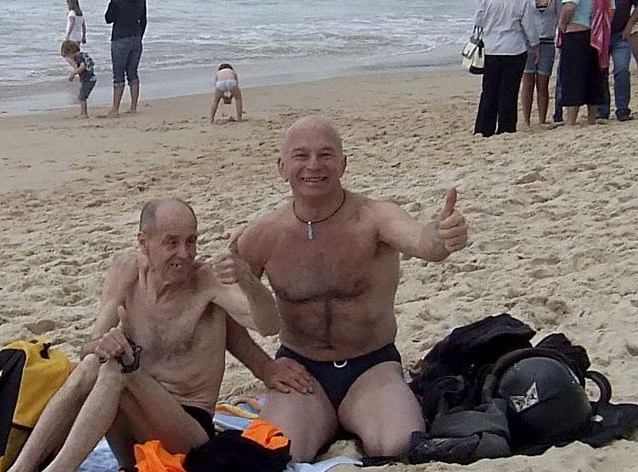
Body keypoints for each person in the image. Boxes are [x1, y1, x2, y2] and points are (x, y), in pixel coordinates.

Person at [8, 198, 304, 472]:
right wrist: (104, 343)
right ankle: (19, 469)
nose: (184, 254)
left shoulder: (206, 283)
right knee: (92, 366)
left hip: (188, 433)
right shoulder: (126, 275)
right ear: (143, 243)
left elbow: (269, 325)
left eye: (191, 241)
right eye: (171, 243)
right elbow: (89, 350)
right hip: (132, 436)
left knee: (119, 371)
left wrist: (246, 279)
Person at [234, 116, 469, 461]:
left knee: (398, 445)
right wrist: (263, 367)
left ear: (343, 163)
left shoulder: (374, 218)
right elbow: (219, 308)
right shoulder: (262, 235)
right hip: (301, 372)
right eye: (301, 156)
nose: (313, 165)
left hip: (371, 367)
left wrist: (443, 237)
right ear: (282, 167)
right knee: (277, 454)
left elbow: (424, 242)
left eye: (326, 154)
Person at [473, 0, 540, 137]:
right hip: (514, 47)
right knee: (509, 91)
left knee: (489, 90)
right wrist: (535, 45)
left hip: (491, 48)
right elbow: (529, 26)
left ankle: (484, 127)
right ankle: (506, 126)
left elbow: (478, 21)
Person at [559, 0, 607, 125]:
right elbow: (610, 9)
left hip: (576, 32)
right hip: (595, 33)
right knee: (593, 77)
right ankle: (591, 119)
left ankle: (571, 120)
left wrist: (562, 23)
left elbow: (570, 6)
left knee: (573, 77)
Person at [599, 0, 638, 121]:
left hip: (620, 34)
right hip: (599, 35)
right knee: (600, 73)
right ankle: (601, 110)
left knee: (622, 70)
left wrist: (629, 25)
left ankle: (622, 109)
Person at [520, 0, 561, 126]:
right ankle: (526, 120)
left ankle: (542, 119)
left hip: (547, 42)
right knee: (528, 83)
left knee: (543, 84)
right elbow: (521, 18)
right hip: (527, 42)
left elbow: (560, 18)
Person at [105, 0, 147, 117]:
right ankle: (133, 107)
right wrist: (139, 36)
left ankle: (115, 108)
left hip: (120, 37)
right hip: (136, 37)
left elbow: (108, 18)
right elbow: (143, 20)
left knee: (118, 75)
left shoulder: (117, 1)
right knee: (133, 73)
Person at [61, 40, 97, 119]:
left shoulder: (78, 57)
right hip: (91, 77)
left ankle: (84, 114)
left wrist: (73, 73)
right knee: (82, 96)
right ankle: (82, 112)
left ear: (70, 52)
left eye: (68, 55)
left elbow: (82, 67)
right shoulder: (83, 55)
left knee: (82, 97)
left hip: (88, 79)